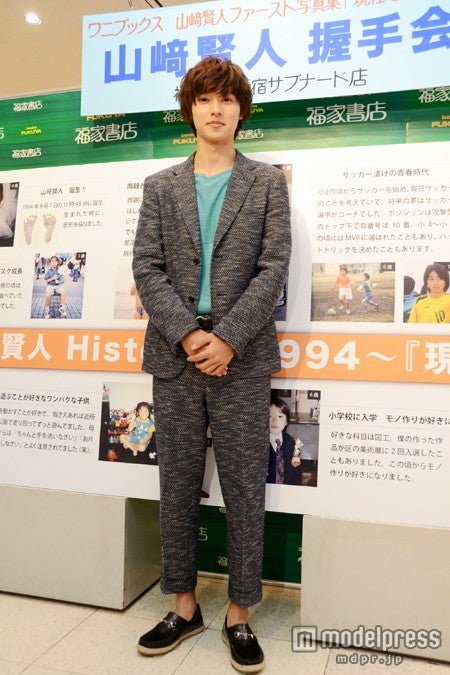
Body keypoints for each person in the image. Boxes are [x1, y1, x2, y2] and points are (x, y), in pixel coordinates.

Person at [132, 57, 291, 673]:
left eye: (226, 98)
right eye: (204, 99)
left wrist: (226, 338)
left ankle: (239, 613)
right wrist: (188, 335)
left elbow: (273, 268)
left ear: (241, 110)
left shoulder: (267, 182)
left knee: (245, 487)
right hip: (174, 357)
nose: (215, 108)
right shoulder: (160, 186)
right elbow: (147, 267)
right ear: (190, 110)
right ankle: (184, 606)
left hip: (241, 358)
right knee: (176, 485)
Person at [268, 397, 302, 486]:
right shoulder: (257, 444)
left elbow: (297, 473)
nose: (274, 421)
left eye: (280, 416)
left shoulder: (293, 444)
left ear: (286, 421)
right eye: (269, 416)